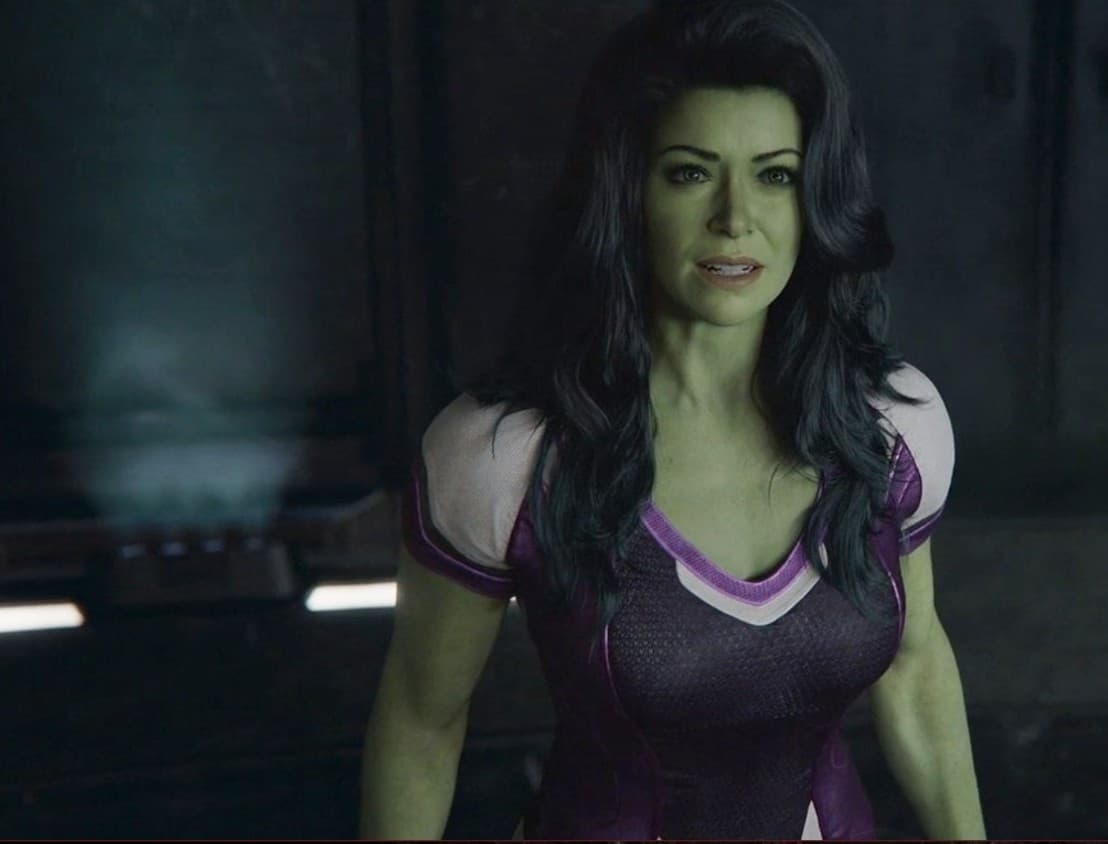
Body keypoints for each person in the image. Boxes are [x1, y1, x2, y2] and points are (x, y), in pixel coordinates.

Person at [359, 0, 985, 838]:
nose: (736, 218)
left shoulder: (891, 426)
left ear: (815, 197)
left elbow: (915, 669)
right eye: (690, 173)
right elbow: (421, 721)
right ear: (628, 193)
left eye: (776, 175)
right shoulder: (504, 456)